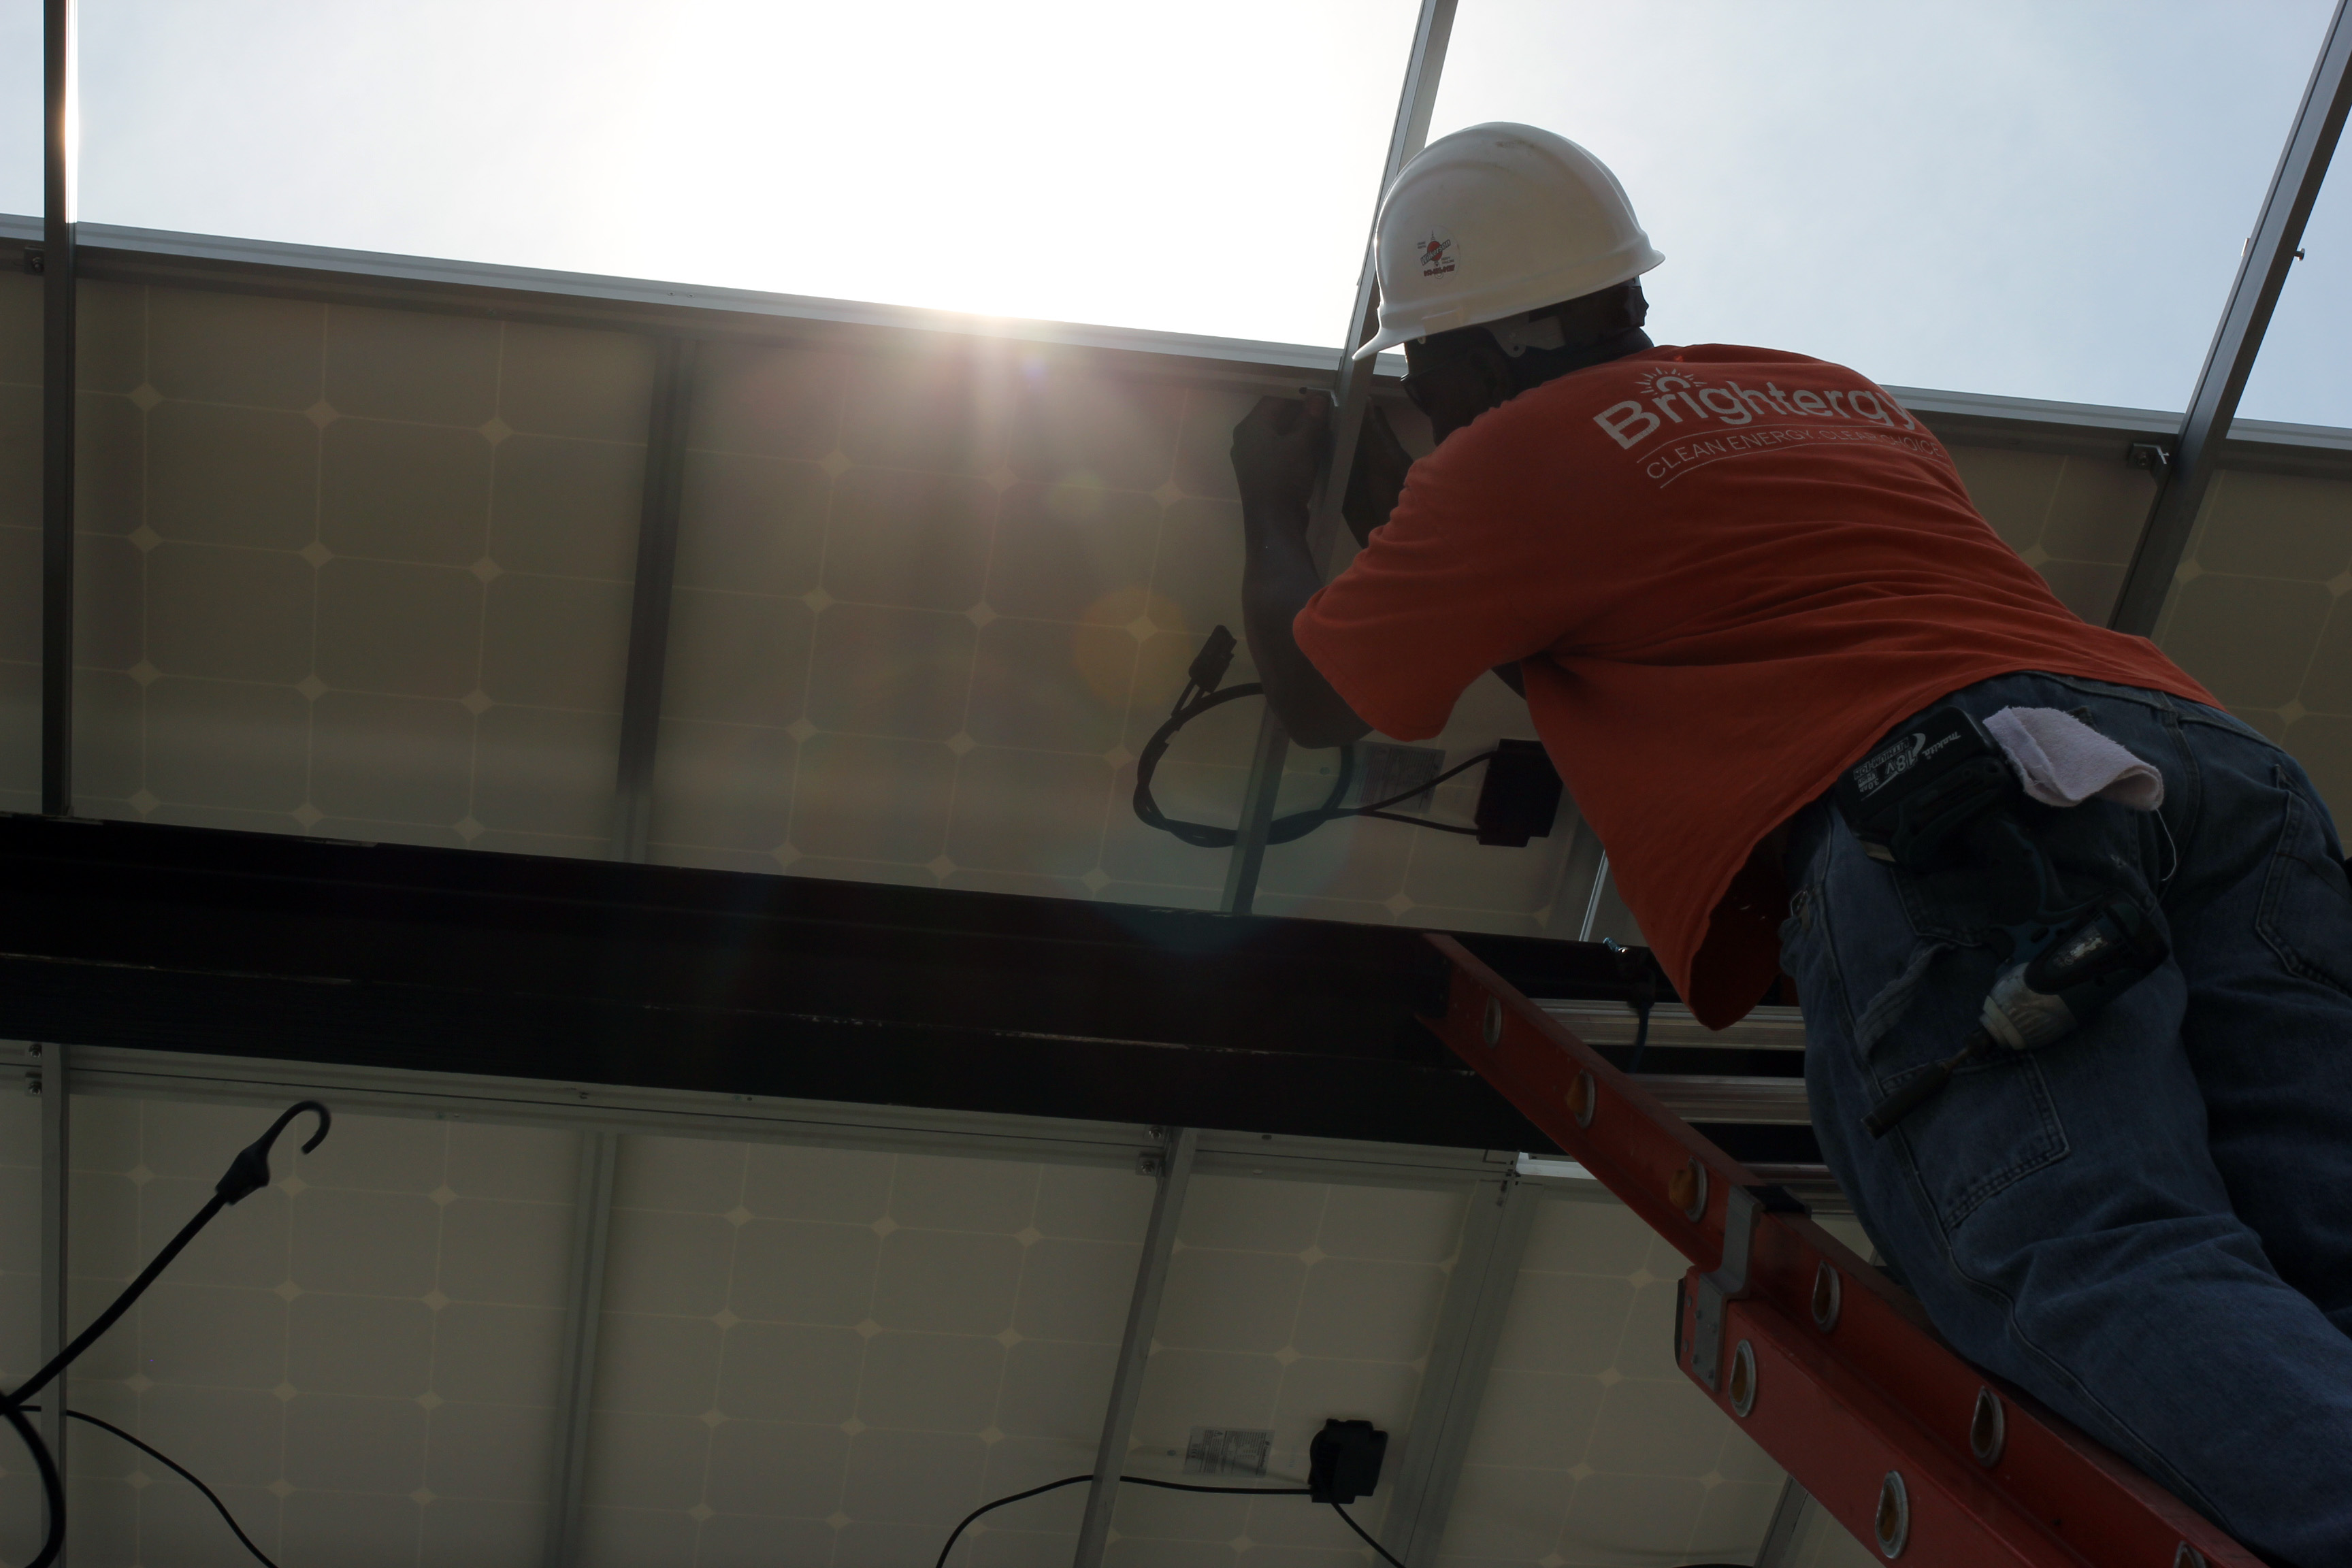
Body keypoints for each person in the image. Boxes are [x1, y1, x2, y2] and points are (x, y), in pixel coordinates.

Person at [1230, 121, 2352, 1564]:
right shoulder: (1821, 391)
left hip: (1965, 819)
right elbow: (1709, 598)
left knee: (2085, 1252)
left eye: (1420, 368)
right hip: (2203, 770)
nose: (1419, 402)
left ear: (1478, 355)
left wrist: (1269, 499)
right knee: (2328, 1236)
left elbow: (1319, 702)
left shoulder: (1498, 463)